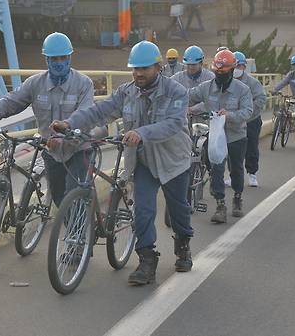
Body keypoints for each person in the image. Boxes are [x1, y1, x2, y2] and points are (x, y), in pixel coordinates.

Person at [51, 41, 194, 285]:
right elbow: (99, 111)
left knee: (178, 208)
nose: (138, 73)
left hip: (173, 161)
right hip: (143, 162)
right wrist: (70, 123)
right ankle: (147, 260)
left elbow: (174, 123)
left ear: (158, 67)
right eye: (134, 69)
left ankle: (183, 245)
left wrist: (142, 133)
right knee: (143, 210)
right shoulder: (126, 92)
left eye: (144, 69)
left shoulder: (176, 91)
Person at [0, 32, 94, 209]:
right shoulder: (35, 83)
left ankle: (76, 235)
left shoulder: (83, 84)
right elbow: (11, 102)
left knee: (74, 197)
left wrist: (65, 134)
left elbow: (85, 113)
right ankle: (70, 227)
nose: (58, 63)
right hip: (50, 151)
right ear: (46, 60)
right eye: (53, 59)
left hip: (78, 150)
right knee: (58, 198)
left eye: (63, 58)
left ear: (69, 58)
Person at [189, 50, 253, 223]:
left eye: (224, 72)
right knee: (216, 169)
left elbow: (247, 111)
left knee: (236, 169)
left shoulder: (243, 90)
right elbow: (188, 96)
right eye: (217, 72)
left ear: (232, 70)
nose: (220, 75)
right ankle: (220, 205)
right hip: (216, 136)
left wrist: (229, 115)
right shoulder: (206, 87)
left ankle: (237, 197)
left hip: (236, 136)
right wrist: (183, 107)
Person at [233, 51, 266, 187]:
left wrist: (249, 111)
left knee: (251, 147)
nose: (236, 69)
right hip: (234, 122)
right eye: (234, 66)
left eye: (239, 66)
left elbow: (261, 98)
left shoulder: (253, 83)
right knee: (234, 149)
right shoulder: (228, 82)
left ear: (244, 67)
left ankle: (252, 173)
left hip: (251, 120)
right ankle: (233, 175)